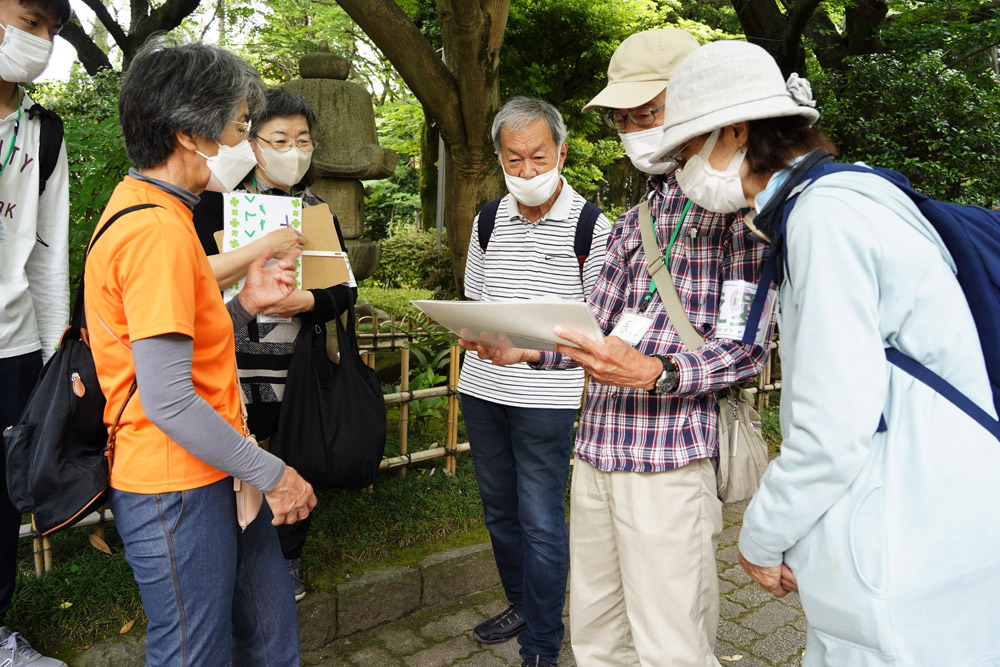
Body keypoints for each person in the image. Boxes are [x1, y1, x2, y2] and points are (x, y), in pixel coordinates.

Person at [653, 39, 1000, 665]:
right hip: (944, 515)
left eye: (684, 151)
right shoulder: (860, 194)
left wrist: (760, 537)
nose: (681, 172)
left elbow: (831, 427)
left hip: (899, 547)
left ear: (734, 131)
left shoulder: (823, 221)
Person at [461, 29, 774, 667]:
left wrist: (657, 371)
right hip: (598, 447)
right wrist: (526, 351)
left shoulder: (743, 212)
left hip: (670, 458)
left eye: (649, 113)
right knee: (598, 636)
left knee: (671, 642)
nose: (636, 129)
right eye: (625, 118)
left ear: (701, 107)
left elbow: (746, 350)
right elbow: (596, 324)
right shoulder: (637, 218)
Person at [84, 39, 317, 666]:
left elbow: (187, 347)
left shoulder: (160, 213)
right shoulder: (155, 231)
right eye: (241, 125)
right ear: (192, 133)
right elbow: (167, 398)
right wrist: (275, 472)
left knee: (267, 639)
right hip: (176, 487)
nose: (246, 142)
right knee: (194, 654)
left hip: (215, 470)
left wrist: (245, 307)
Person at [459, 96, 611, 667]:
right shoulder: (489, 219)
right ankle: (523, 604)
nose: (525, 171)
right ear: (499, 158)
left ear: (562, 152)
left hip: (547, 397)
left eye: (538, 157)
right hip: (483, 388)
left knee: (541, 518)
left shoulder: (594, 227)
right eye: (513, 159)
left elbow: (602, 332)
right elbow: (477, 299)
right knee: (499, 510)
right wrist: (470, 332)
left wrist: (528, 352)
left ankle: (543, 644)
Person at [192, 87, 356, 602]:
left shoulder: (315, 209)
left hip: (297, 368)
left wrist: (308, 301)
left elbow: (345, 289)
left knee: (293, 461)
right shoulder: (214, 205)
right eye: (280, 138)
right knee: (231, 465)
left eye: (303, 139)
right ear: (253, 142)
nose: (293, 150)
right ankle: (229, 566)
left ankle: (287, 562)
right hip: (230, 365)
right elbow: (191, 282)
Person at [0, 0, 70, 664]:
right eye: (30, 20)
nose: (40, 40)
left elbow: (48, 258)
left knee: (2, 503)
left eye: (51, 29)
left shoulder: (42, 133)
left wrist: (54, 366)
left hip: (14, 353)